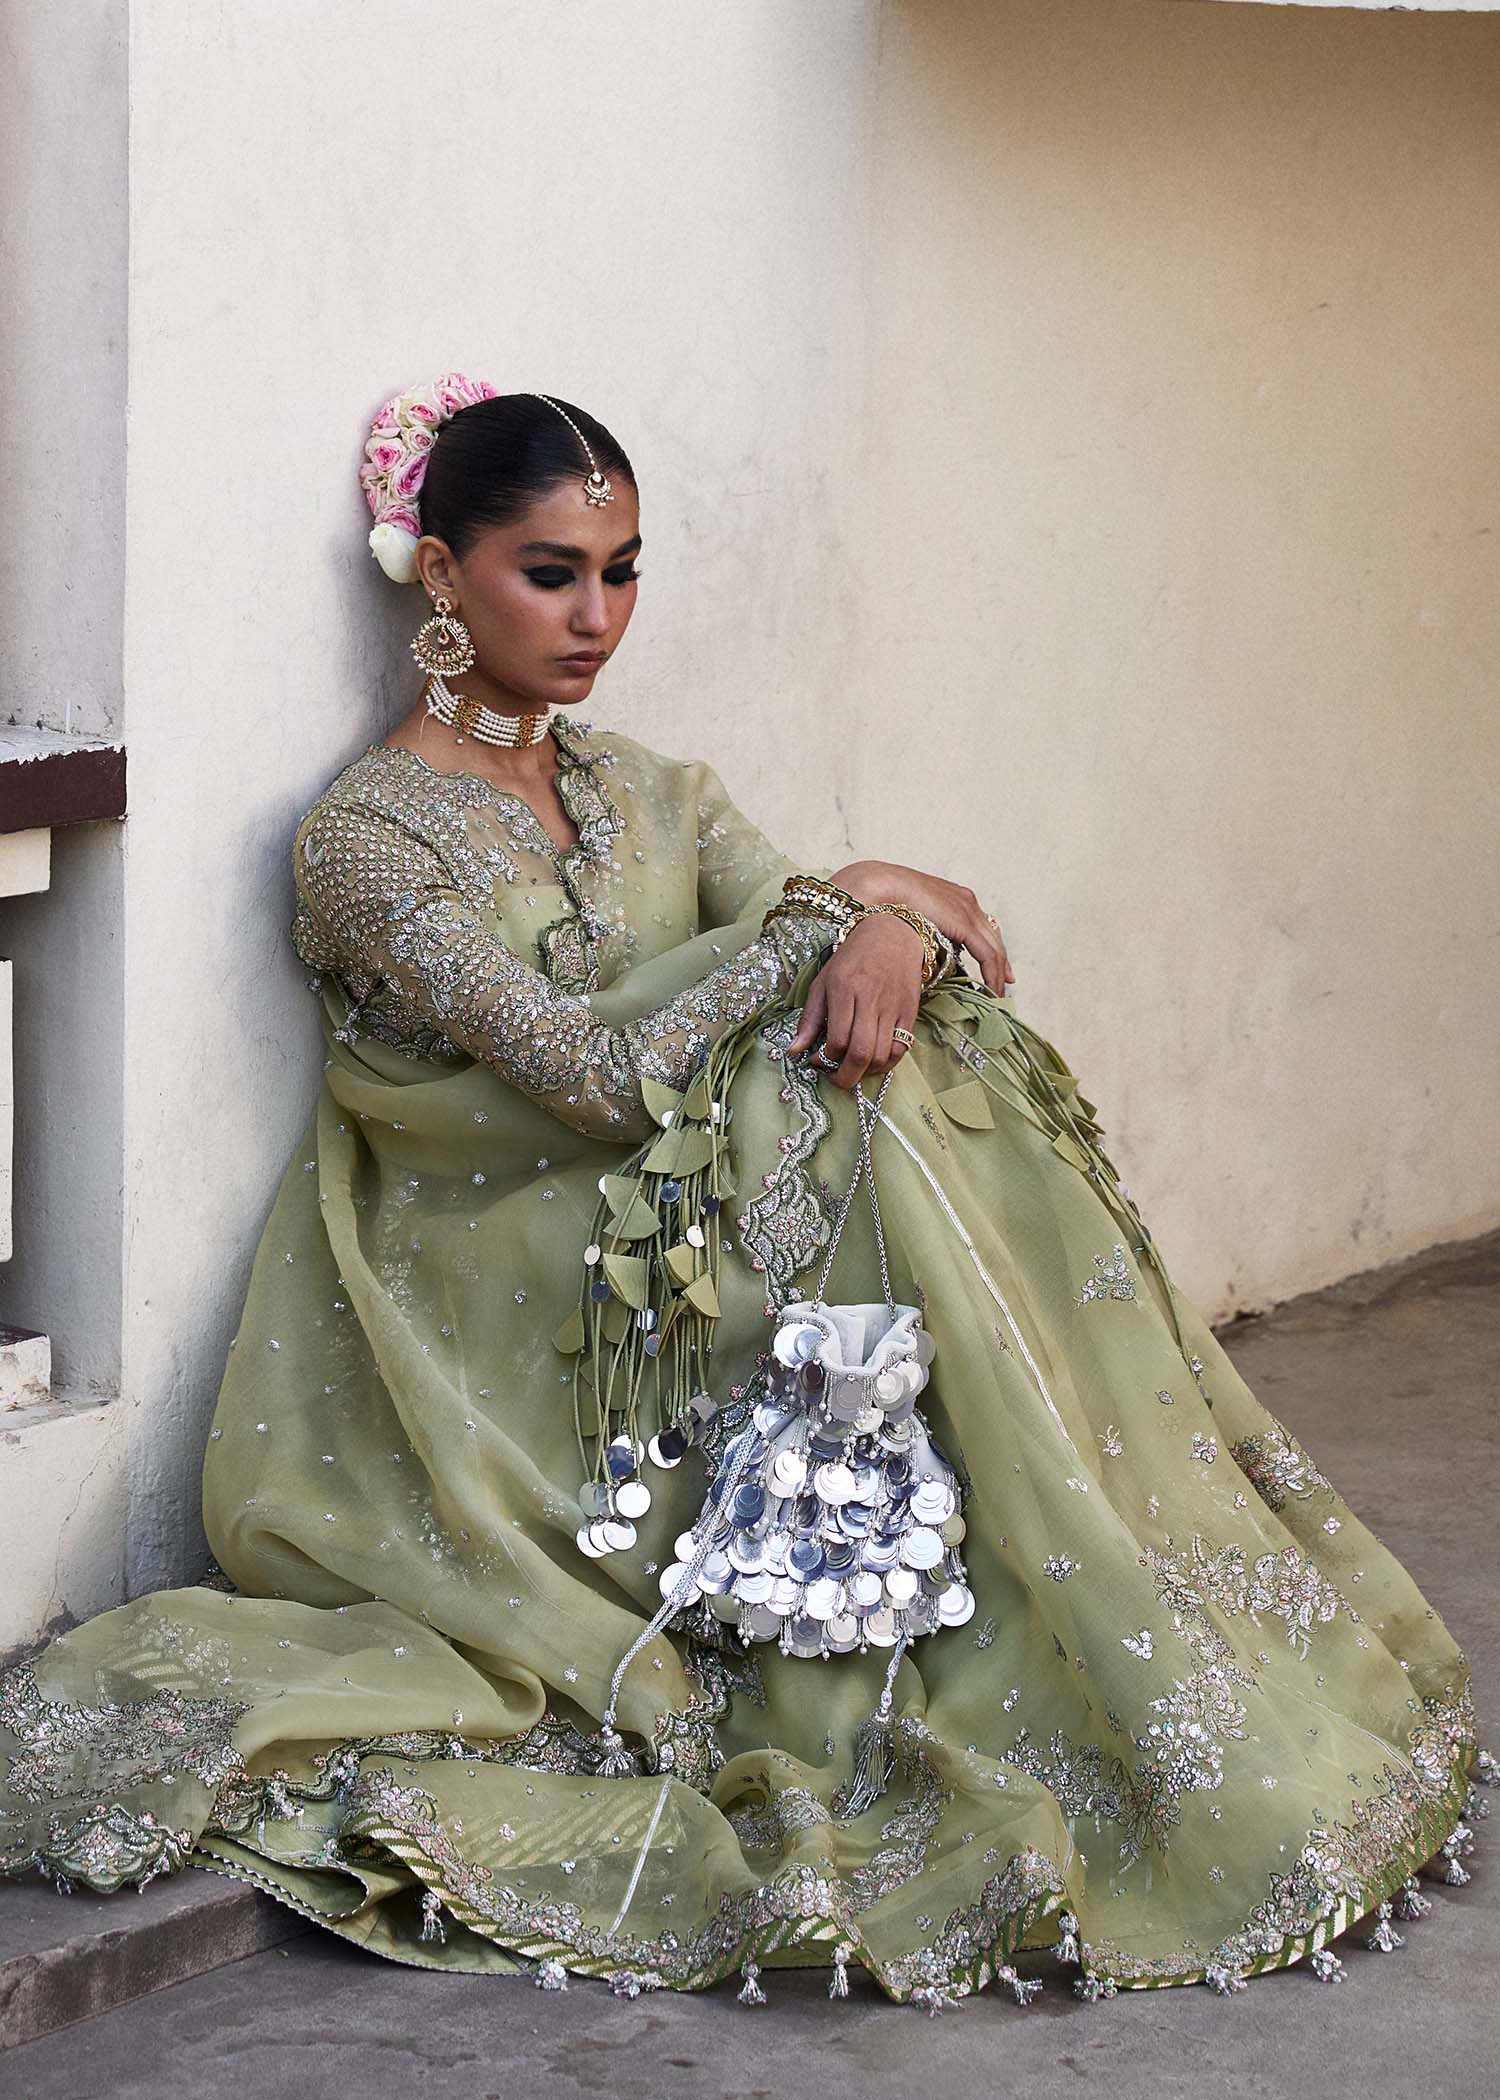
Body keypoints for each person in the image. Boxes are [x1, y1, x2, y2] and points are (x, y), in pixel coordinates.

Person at [0, 377, 1486, 2010]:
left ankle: (1093, 1577)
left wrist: (889, 934)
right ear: (438, 574)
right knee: (850, 1109)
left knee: (904, 1068)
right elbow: (589, 1076)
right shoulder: (363, 841)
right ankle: (971, 1572)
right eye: (551, 572)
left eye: (624, 569)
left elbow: (815, 971)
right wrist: (839, 906)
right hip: (493, 1266)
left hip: (680, 1207)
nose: (597, 617)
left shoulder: (651, 790)